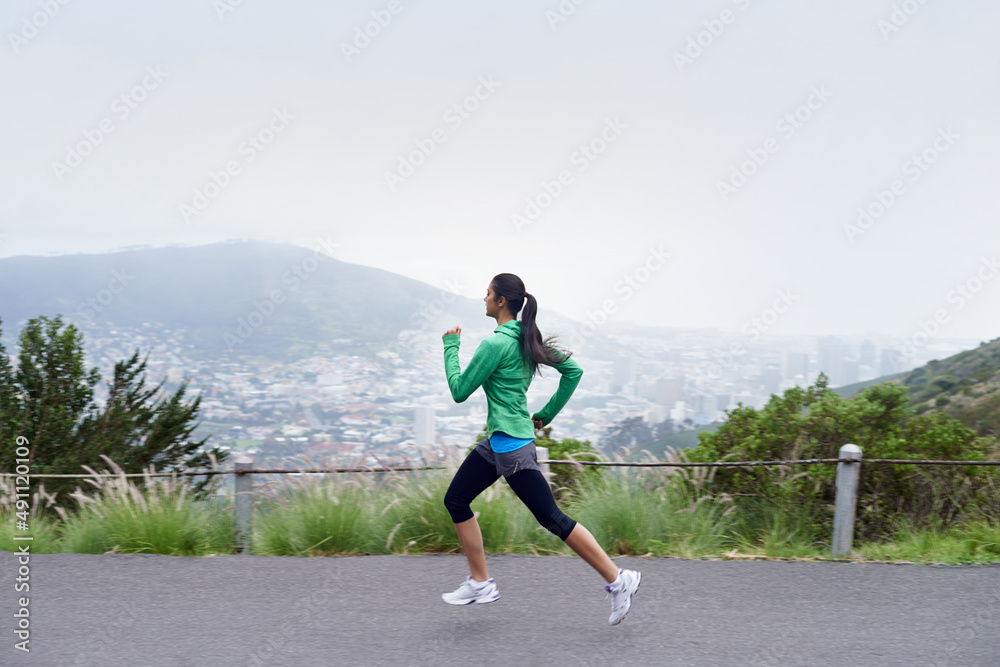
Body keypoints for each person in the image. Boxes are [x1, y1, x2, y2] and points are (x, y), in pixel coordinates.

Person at [439, 273, 640, 625]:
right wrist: (545, 416)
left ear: (501, 301)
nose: (483, 298)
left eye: (487, 294)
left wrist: (450, 347)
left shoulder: (495, 345)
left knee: (552, 518)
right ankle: (480, 582)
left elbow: (459, 390)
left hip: (513, 450)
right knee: (455, 500)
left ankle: (617, 578)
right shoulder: (527, 339)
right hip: (500, 442)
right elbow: (573, 371)